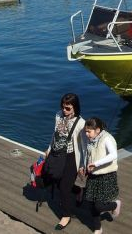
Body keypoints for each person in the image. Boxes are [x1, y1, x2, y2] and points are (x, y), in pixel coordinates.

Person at [44, 93, 86, 230]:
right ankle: (79, 190)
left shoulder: (81, 123)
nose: (64, 110)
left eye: (67, 108)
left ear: (75, 107)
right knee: (56, 180)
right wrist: (49, 148)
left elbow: (84, 146)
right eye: (63, 107)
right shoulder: (58, 115)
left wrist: (82, 165)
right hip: (57, 153)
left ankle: (66, 215)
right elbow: (55, 134)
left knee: (64, 188)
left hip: (72, 157)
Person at [79, 117, 120, 234]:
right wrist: (84, 166)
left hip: (106, 176)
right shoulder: (91, 139)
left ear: (97, 130)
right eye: (86, 131)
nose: (86, 134)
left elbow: (113, 155)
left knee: (99, 206)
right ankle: (97, 228)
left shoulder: (107, 138)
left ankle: (115, 205)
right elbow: (88, 154)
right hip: (93, 175)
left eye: (89, 131)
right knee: (91, 203)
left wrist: (96, 164)